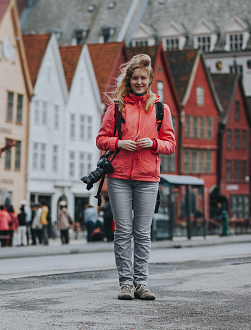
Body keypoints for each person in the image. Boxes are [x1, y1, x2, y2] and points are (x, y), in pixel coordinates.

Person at [96, 54, 176, 300]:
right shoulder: (117, 106)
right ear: (129, 80)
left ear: (150, 79)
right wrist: (120, 143)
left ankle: (141, 283)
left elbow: (170, 144)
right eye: (135, 78)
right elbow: (101, 139)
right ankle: (126, 284)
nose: (139, 82)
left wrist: (152, 143)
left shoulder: (161, 109)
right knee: (123, 231)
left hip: (148, 178)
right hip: (119, 176)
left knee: (142, 233)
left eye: (143, 78)